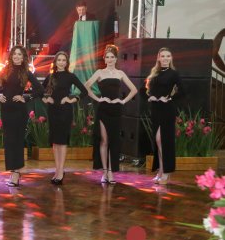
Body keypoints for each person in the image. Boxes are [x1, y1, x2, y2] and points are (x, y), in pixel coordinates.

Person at [0, 45, 44, 187]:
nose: (17, 56)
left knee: (18, 141)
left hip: (19, 111)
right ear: (11, 56)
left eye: (20, 54)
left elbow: (40, 89)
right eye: (15, 54)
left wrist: (26, 98)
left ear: (23, 57)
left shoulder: (26, 72)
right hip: (6, 110)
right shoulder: (5, 71)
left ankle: (16, 173)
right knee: (9, 141)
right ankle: (13, 171)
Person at [84, 44, 137, 184]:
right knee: (104, 140)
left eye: (112, 57)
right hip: (103, 109)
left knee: (113, 141)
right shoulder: (99, 72)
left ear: (116, 58)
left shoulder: (120, 73)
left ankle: (111, 172)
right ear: (104, 59)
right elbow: (86, 86)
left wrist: (122, 101)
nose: (110, 59)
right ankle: (105, 172)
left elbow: (134, 90)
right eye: (107, 57)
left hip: (116, 110)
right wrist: (98, 99)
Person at [42, 51, 88, 184]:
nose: (61, 62)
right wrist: (45, 98)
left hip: (65, 112)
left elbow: (84, 91)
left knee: (62, 142)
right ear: (55, 62)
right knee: (55, 142)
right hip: (53, 111)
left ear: (67, 62)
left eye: (63, 60)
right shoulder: (51, 76)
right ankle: (57, 170)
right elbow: (39, 90)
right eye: (59, 60)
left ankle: (61, 171)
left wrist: (72, 99)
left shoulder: (70, 76)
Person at [146, 47, 184, 185]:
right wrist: (150, 96)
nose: (165, 58)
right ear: (158, 58)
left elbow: (183, 91)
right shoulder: (154, 73)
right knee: (158, 141)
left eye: (168, 56)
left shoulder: (173, 73)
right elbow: (148, 90)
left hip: (167, 110)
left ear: (171, 58)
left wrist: (169, 98)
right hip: (156, 110)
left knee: (163, 141)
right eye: (163, 56)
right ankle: (161, 170)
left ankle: (166, 172)